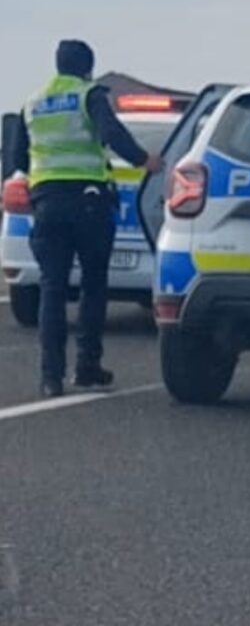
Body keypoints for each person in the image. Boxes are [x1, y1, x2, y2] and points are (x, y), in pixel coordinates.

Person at [17, 40, 163, 397]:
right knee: (94, 285)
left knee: (52, 288)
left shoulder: (33, 103)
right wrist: (145, 160)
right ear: (87, 67)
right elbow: (112, 134)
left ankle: (50, 377)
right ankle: (87, 366)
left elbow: (17, 158)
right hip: (87, 202)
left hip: (46, 203)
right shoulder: (89, 95)